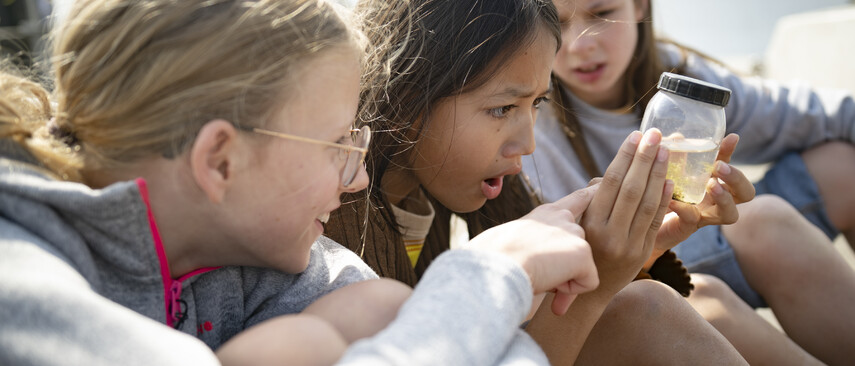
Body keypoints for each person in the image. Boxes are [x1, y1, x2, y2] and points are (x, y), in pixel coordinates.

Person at [0, 0, 616, 365]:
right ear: (220, 161)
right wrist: (486, 276)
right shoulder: (18, 276)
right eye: (335, 145)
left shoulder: (259, 255)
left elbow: (416, 324)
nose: (353, 180)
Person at [325, 0, 749, 364]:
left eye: (537, 103)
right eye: (502, 108)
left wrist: (638, 246)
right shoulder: (331, 224)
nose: (527, 144)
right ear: (408, 94)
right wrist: (590, 288)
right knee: (648, 308)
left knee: (705, 297)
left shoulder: (470, 188)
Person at [522, 0, 855, 364]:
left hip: (675, 247)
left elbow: (823, 113)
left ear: (639, 7)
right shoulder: (529, 119)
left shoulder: (685, 80)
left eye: (602, 15)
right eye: (557, 23)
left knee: (821, 178)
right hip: (608, 286)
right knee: (705, 301)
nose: (579, 45)